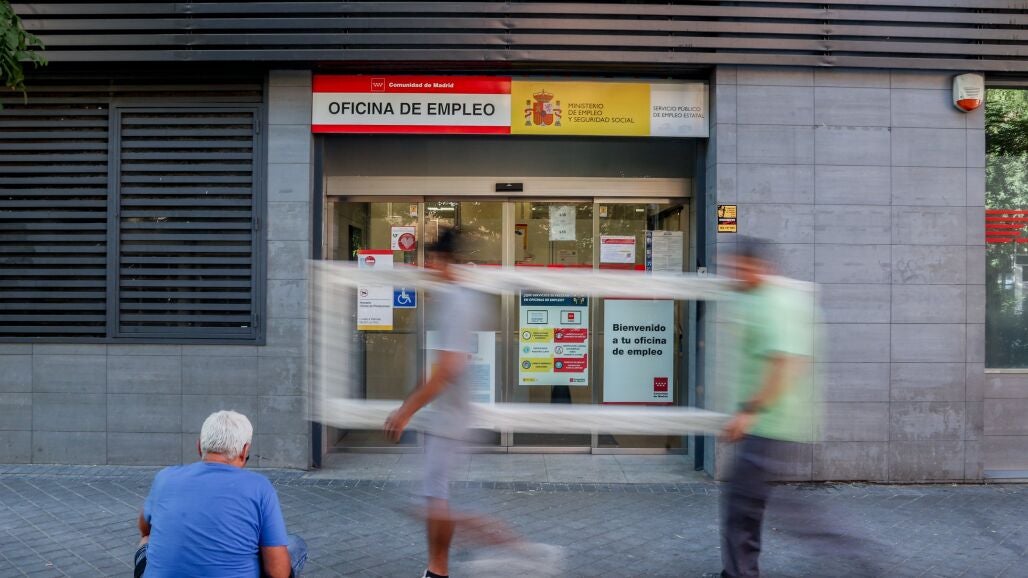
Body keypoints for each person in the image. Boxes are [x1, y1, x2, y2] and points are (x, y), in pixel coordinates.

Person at [717, 239, 877, 578]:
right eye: (731, 268)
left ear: (760, 267)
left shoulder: (775, 303)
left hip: (769, 424)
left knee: (749, 506)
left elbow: (786, 363)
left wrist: (749, 411)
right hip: (772, 423)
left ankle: (854, 552)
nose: (734, 274)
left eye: (740, 268)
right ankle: (743, 569)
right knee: (754, 505)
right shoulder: (764, 297)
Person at [134, 410, 308, 578]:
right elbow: (277, 572)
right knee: (294, 544)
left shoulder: (165, 477)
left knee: (147, 540)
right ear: (244, 450)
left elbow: (144, 529)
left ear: (199, 446)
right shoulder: (259, 487)